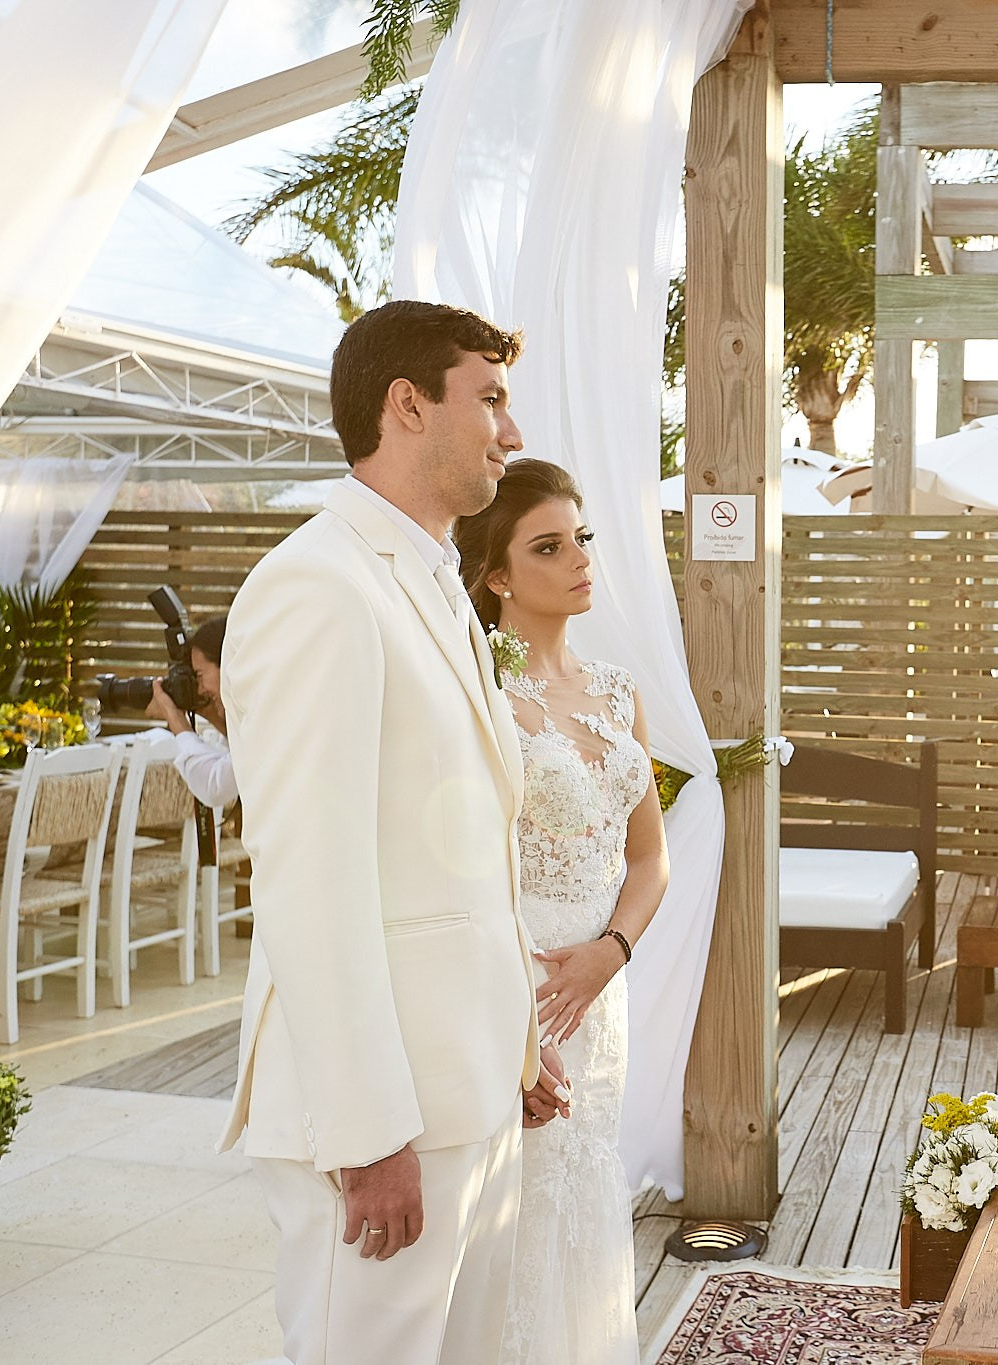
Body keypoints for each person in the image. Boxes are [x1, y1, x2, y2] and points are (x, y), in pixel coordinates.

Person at [217, 300, 569, 1365]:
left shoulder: (431, 582)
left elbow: (463, 854)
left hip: (468, 1089)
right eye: (490, 399)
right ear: (407, 405)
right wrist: (369, 1134)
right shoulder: (316, 587)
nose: (510, 432)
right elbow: (310, 882)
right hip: (384, 1118)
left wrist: (515, 1039)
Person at [454, 457, 669, 1365]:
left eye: (580, 537)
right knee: (513, 1213)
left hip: (597, 996)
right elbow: (461, 873)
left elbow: (650, 857)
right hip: (523, 991)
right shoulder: (480, 695)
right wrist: (512, 1020)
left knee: (583, 1192)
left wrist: (611, 951)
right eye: (548, 546)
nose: (580, 558)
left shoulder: (617, 690)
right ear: (497, 575)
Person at [144, 615, 238, 809]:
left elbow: (215, 787)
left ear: (226, 664)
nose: (200, 689)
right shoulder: (261, 714)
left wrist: (175, 718)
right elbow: (237, 754)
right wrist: (206, 710)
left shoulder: (262, 722)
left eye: (199, 675)